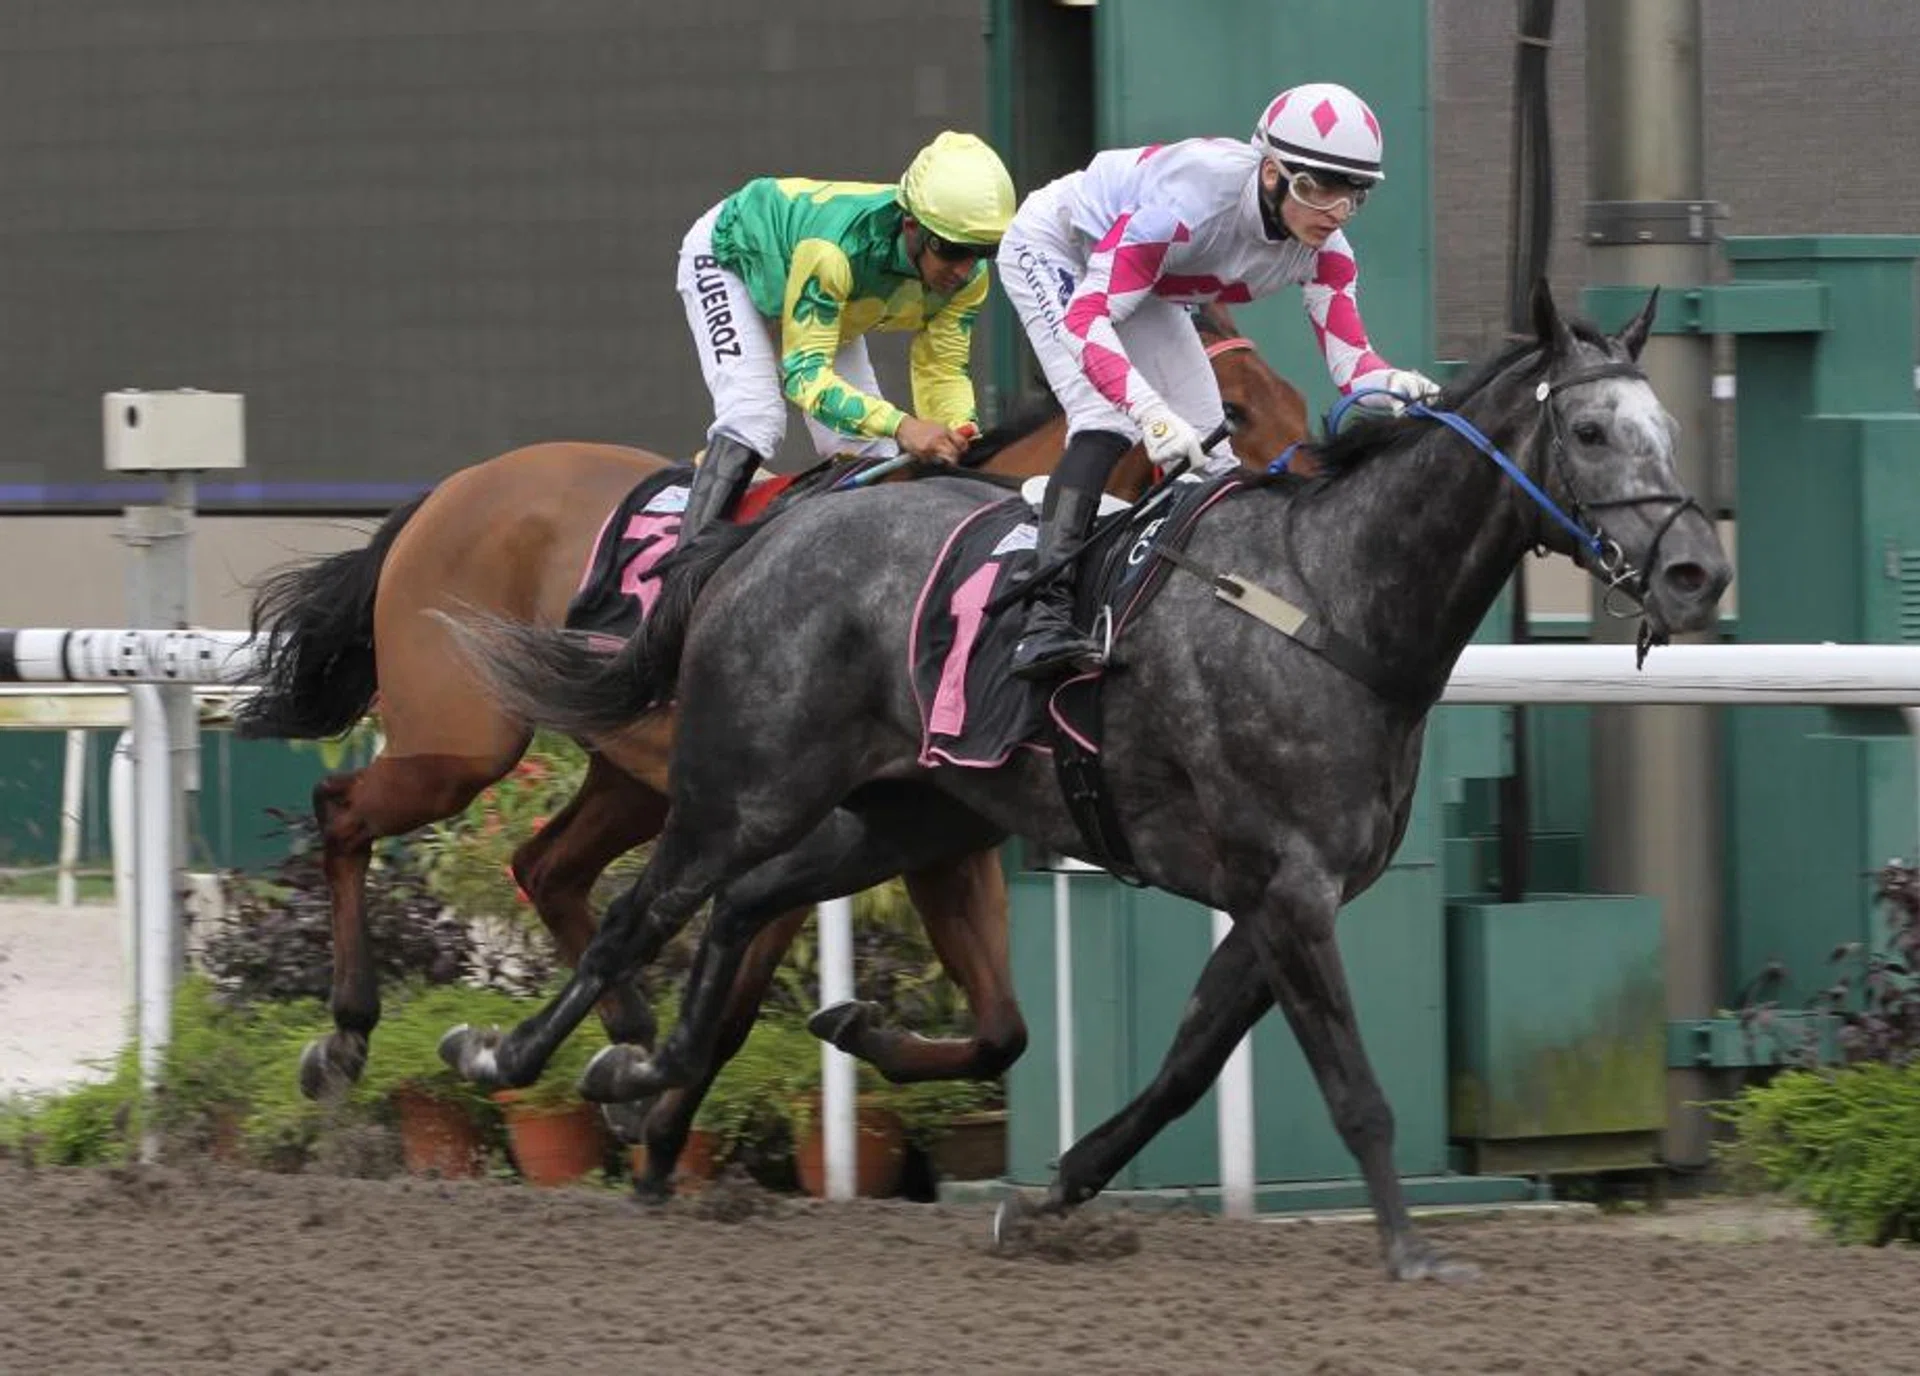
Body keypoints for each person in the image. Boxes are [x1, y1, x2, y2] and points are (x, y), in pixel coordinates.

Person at [997, 81, 1439, 680]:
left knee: (1214, 452)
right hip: (1059, 247)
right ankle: (1042, 616)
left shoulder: (1328, 249)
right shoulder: (1187, 205)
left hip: (1147, 281)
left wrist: (1392, 383)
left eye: (1352, 195)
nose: (1334, 212)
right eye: (1316, 189)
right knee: (1104, 418)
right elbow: (1086, 320)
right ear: (1269, 175)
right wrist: (1150, 413)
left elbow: (1351, 365)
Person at [673, 131, 1016, 541]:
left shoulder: (968, 280)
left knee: (873, 452)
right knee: (754, 417)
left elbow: (941, 369)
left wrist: (959, 429)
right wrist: (904, 425)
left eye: (982, 252)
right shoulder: (835, 251)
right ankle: (682, 570)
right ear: (912, 226)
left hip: (826, 292)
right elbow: (804, 377)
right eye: (951, 249)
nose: (964, 270)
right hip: (732, 255)